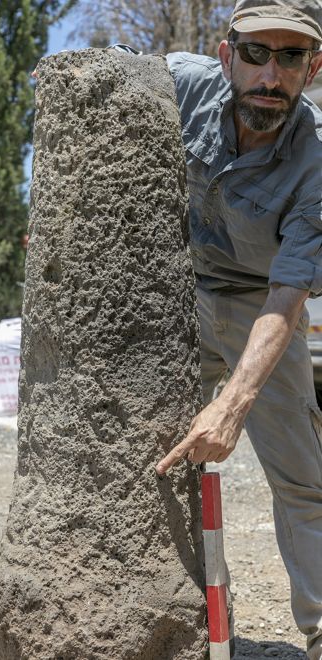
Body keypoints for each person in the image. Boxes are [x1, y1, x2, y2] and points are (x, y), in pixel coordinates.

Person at [155, 1, 322, 657]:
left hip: (263, 304)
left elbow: (289, 290)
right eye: (256, 53)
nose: (270, 74)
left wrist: (232, 402)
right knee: (147, 445)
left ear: (313, 69)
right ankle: (156, 602)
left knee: (304, 479)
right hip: (179, 290)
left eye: (290, 57)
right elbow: (102, 86)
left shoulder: (315, 162)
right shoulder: (182, 82)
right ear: (227, 57)